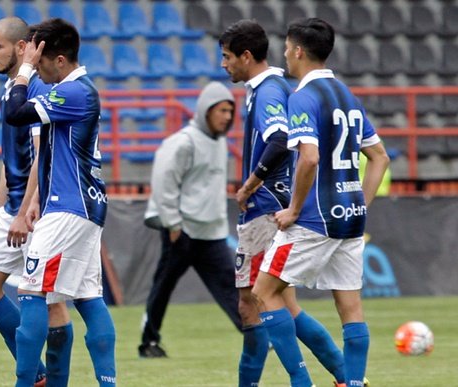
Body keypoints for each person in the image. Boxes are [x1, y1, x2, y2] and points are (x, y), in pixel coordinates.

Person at [251, 18, 389, 387]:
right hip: (350, 219)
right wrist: (361, 202)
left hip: (314, 220)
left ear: (298, 51)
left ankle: (301, 381)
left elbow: (309, 158)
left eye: (286, 49)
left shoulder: (303, 98)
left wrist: (294, 209)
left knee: (263, 293)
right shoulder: (348, 96)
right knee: (350, 307)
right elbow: (380, 157)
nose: (284, 56)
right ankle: (354, 383)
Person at [220, 19, 348, 386]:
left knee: (255, 302)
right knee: (276, 304)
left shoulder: (269, 91)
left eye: (227, 57)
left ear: (246, 56)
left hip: (265, 207)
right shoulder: (266, 88)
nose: (224, 65)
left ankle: (303, 380)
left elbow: (279, 140)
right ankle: (346, 377)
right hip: (269, 206)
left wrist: (249, 185)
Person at [3, 18, 116, 387]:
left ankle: (24, 383)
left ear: (61, 60)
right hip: (82, 205)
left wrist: (22, 70)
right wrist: (37, 199)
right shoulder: (78, 90)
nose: (38, 69)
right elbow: (50, 150)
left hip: (69, 207)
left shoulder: (74, 92)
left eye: (42, 62)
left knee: (32, 292)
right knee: (86, 296)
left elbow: (15, 113)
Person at [0, 16, 50, 386]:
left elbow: (40, 157)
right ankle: (37, 373)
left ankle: (45, 376)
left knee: (52, 303)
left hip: (37, 209)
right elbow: (10, 159)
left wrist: (23, 212)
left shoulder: (35, 89)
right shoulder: (9, 89)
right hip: (13, 206)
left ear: (22, 47)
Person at [140, 82, 241, 358]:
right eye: (221, 110)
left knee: (231, 286)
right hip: (181, 230)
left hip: (211, 233)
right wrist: (172, 223)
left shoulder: (220, 142)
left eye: (230, 111)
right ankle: (148, 342)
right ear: (205, 111)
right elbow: (164, 182)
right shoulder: (182, 142)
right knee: (163, 286)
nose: (227, 117)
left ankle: (255, 335)